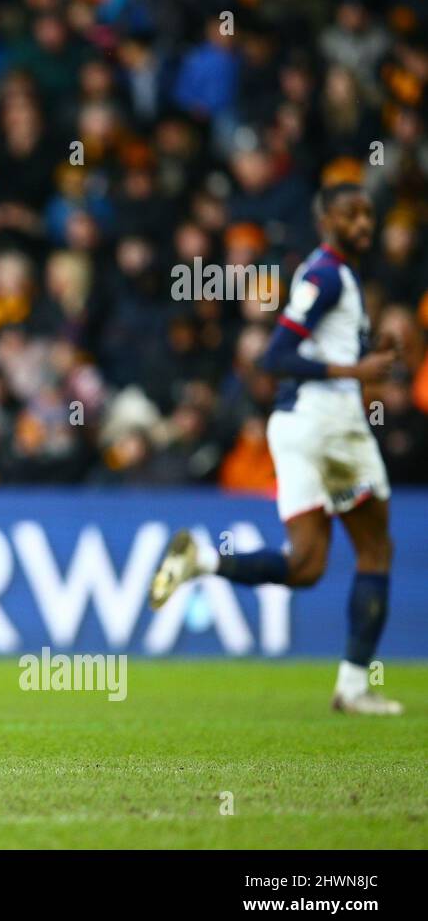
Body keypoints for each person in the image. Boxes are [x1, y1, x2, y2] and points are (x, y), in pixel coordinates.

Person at [149, 183, 402, 715]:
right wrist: (354, 370)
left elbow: (301, 350)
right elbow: (275, 356)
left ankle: (204, 561)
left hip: (293, 425)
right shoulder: (329, 275)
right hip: (331, 425)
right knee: (376, 550)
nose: (363, 224)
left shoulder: (323, 273)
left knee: (307, 566)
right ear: (324, 219)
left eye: (368, 214)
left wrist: (361, 355)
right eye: (350, 214)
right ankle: (354, 687)